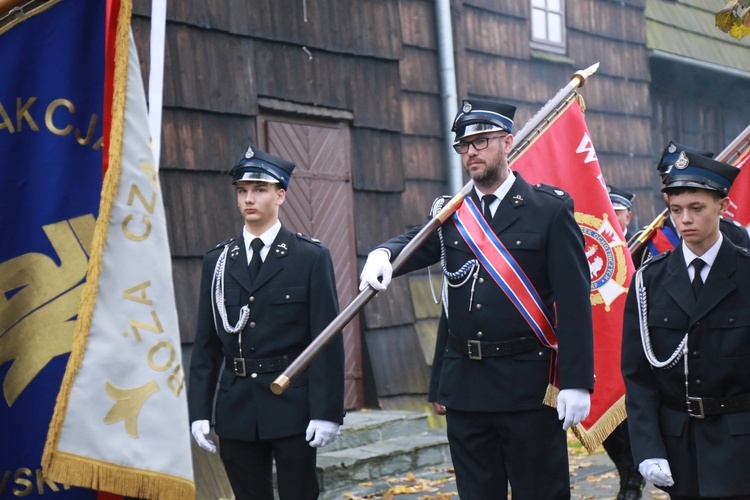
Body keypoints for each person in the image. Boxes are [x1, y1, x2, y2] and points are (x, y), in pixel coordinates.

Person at [359, 98, 594, 498]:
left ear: (507, 142)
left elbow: (573, 304)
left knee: (541, 492)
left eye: (481, 141)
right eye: (463, 145)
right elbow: (416, 242)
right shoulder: (454, 214)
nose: (471, 152)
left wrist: (576, 382)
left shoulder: (548, 211)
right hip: (467, 387)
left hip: (527, 384)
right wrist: (384, 254)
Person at [187, 146, 345, 500]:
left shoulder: (309, 257)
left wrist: (327, 411)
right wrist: (198, 410)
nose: (249, 199)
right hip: (236, 404)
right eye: (242, 191)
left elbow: (327, 340)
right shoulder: (219, 260)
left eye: (259, 190)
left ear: (281, 194)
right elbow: (206, 343)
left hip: (291, 403)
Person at [621, 150, 750, 498]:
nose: (685, 220)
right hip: (680, 444)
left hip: (740, 441)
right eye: (676, 210)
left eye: (697, 208)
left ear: (722, 207)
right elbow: (638, 375)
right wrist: (647, 447)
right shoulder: (650, 279)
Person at [630, 141, 749, 266]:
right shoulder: (646, 239)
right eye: (667, 181)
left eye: (696, 208)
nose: (686, 220)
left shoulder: (734, 233)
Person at [603, 185, 647, 499]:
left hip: (639, 341)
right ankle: (626, 472)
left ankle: (632, 478)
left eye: (616, 212)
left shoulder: (644, 243)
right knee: (607, 418)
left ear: (627, 215)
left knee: (634, 415)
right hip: (605, 344)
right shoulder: (592, 245)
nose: (611, 217)